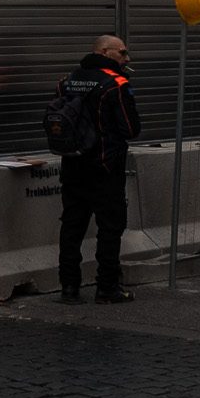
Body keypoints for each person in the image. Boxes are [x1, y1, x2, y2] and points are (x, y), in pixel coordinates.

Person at [56, 34, 142, 304]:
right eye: (122, 53)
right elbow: (131, 128)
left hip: (73, 164)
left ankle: (69, 286)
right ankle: (107, 286)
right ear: (105, 52)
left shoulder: (68, 81)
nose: (127, 59)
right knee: (110, 227)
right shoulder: (116, 84)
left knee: (72, 226)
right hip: (106, 166)